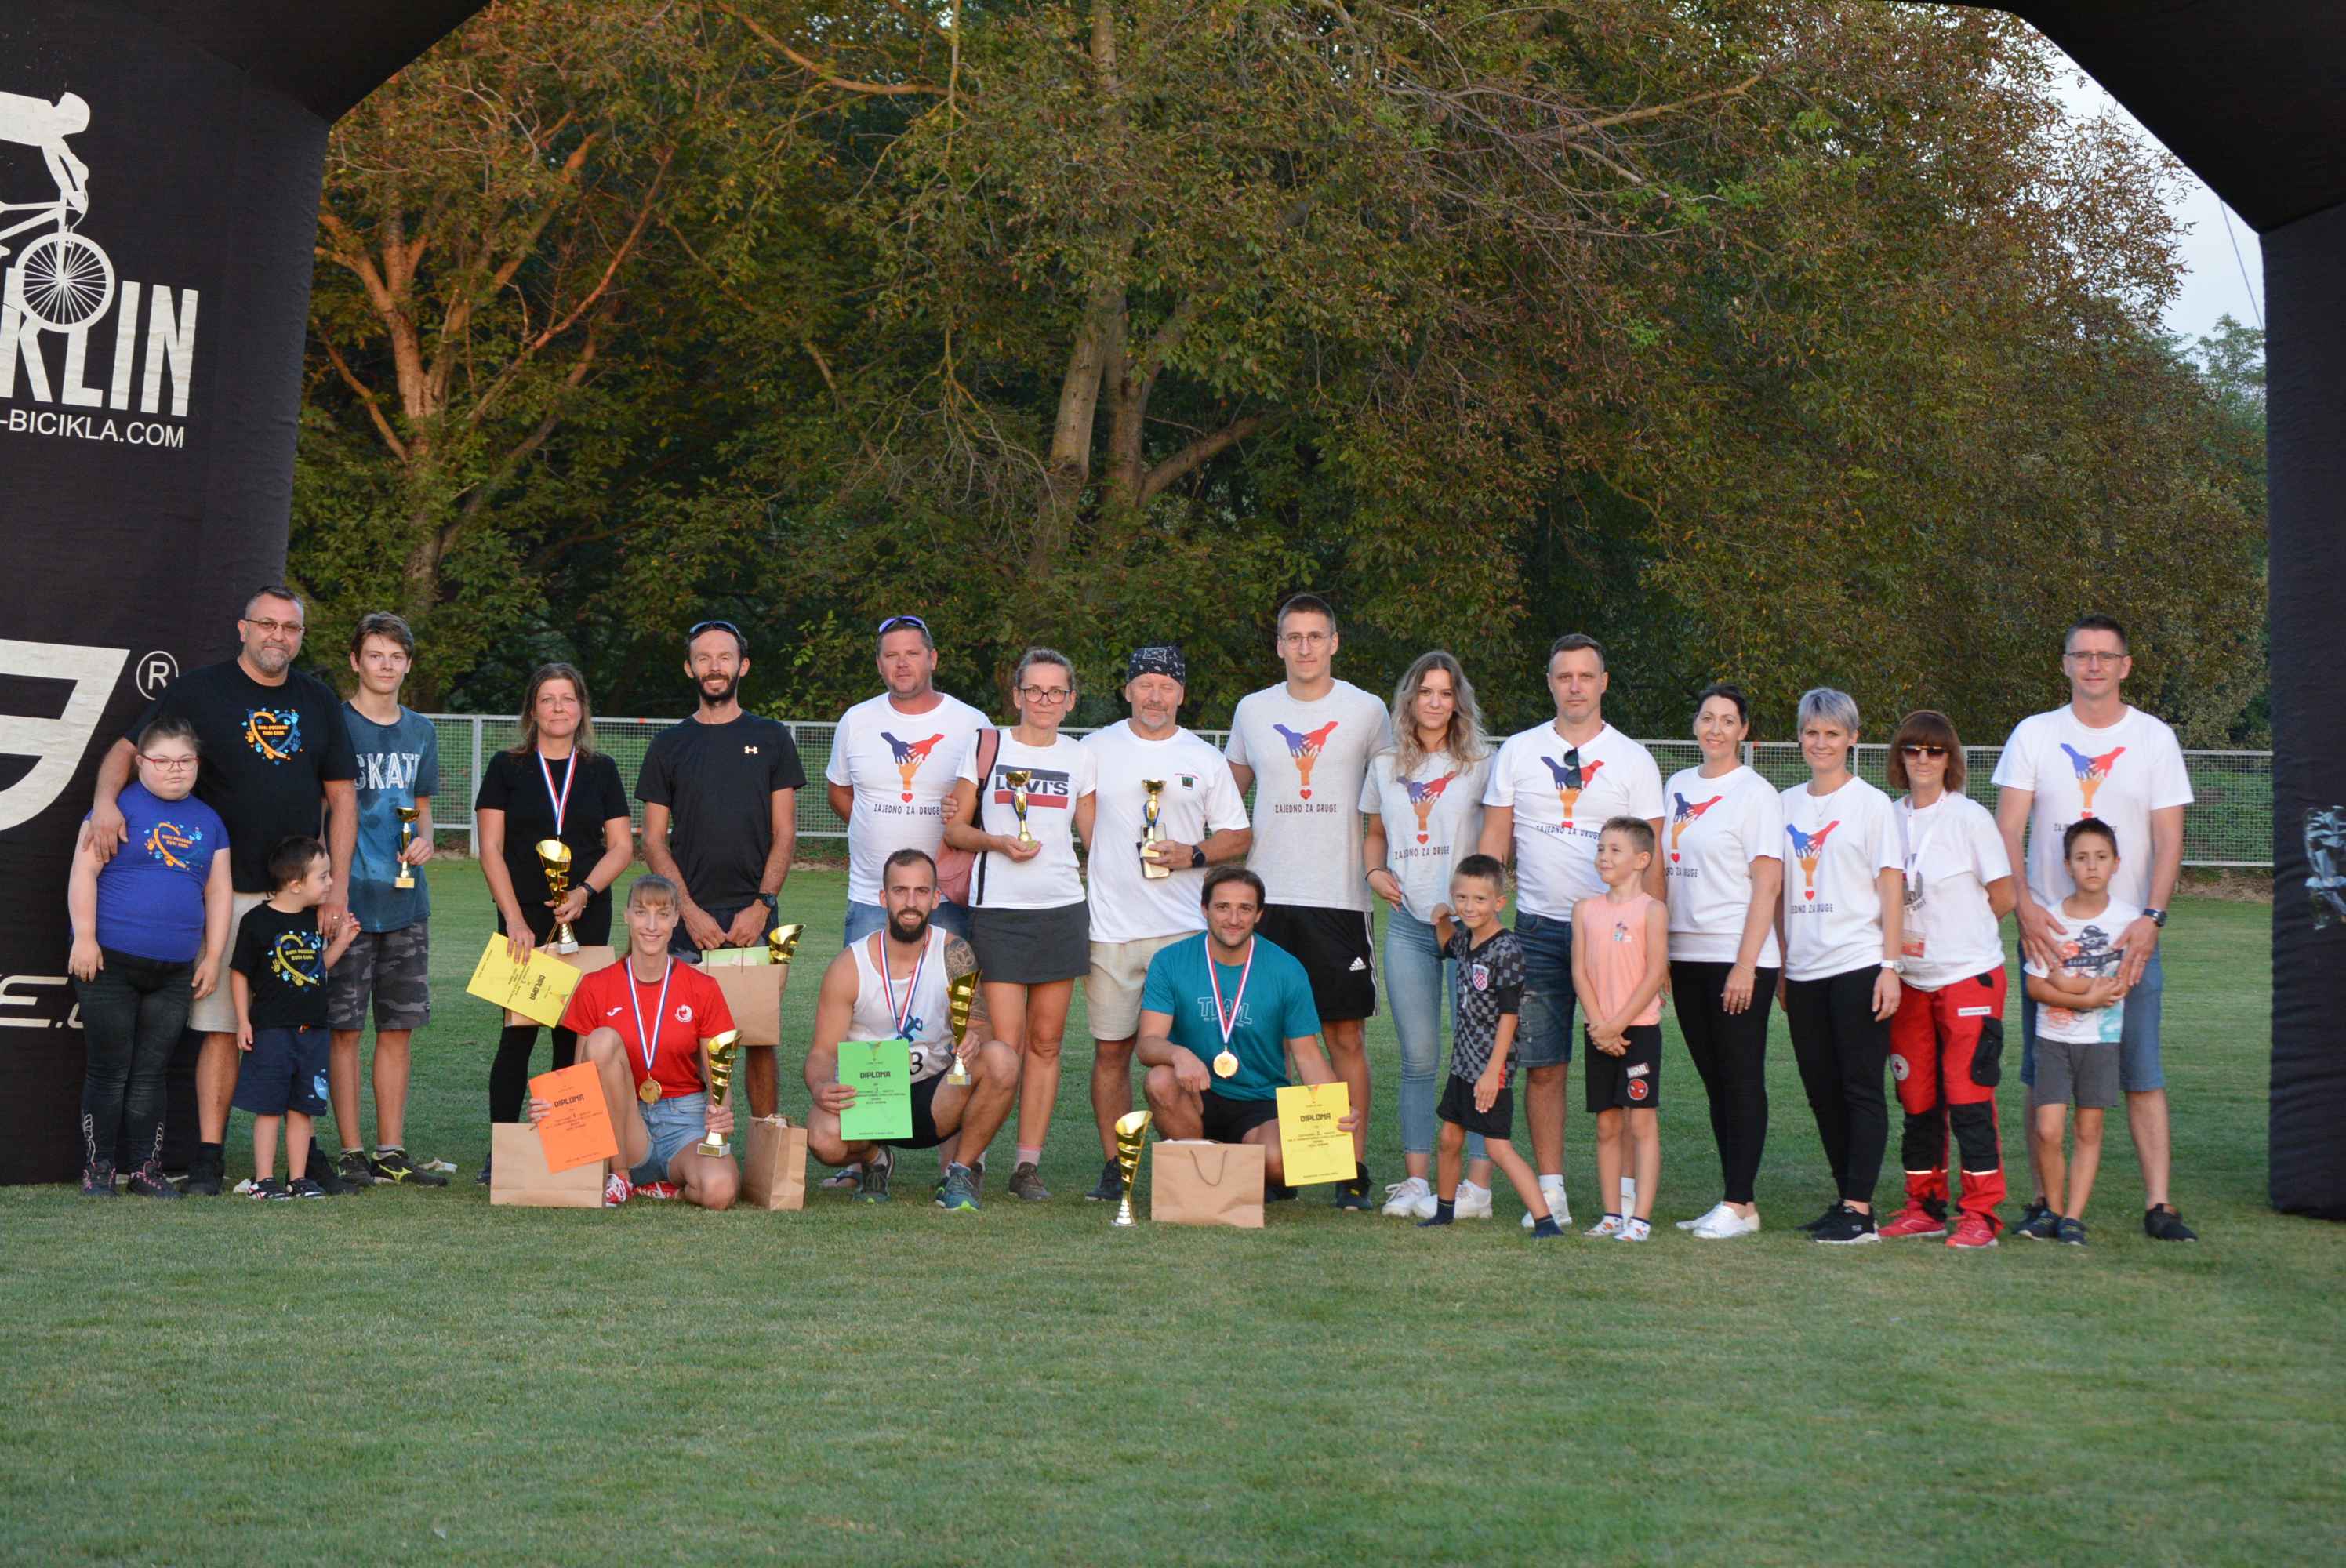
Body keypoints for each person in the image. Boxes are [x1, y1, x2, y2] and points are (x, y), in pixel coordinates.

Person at [84, 586, 357, 1197]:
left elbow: (342, 798)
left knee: (296, 1026)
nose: (278, 636)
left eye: (290, 627)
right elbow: (128, 751)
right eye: (267, 623)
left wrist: (332, 889)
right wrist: (105, 802)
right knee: (218, 1028)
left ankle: (302, 1157)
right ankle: (208, 1156)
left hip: (299, 895)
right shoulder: (198, 691)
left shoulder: (317, 701)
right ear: (242, 628)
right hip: (223, 891)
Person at [1993, 613, 2198, 1243]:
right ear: (2064, 664)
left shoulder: (2154, 738)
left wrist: (2151, 920)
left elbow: (2169, 839)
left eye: (2106, 656)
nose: (2094, 666)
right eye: (2081, 655)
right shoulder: (2034, 734)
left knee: (2140, 1071)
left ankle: (2159, 1205)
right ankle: (2043, 1201)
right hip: (2050, 937)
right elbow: (2006, 830)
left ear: (2125, 666)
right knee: (2042, 1075)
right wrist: (2026, 908)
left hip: (2126, 939)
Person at [1477, 633, 1664, 1228]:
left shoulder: (1633, 758)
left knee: (1627, 1060)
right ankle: (1552, 1190)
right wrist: (1486, 921)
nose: (1575, 686)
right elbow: (1494, 840)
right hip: (1537, 928)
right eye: (1564, 676)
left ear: (1603, 681)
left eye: (1586, 675)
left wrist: (1654, 947)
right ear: (1551, 682)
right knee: (1544, 1064)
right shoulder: (1518, 751)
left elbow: (1652, 861)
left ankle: (1629, 1194)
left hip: (1619, 938)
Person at [1224, 593, 1393, 1207]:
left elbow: (1394, 793)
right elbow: (1226, 794)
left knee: (1342, 1035)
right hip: (1266, 900)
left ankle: (1350, 1167)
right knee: (1267, 1036)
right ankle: (1284, 1166)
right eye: (1293, 637)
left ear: (1334, 643)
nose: (1304, 648)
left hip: (1339, 897)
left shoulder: (1368, 710)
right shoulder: (1252, 710)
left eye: (1315, 636)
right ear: (1278, 645)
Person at [1077, 645, 1251, 1203]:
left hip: (1182, 931)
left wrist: (1193, 856)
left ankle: (1198, 1158)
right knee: (1112, 1051)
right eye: (1145, 684)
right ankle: (1115, 1165)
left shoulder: (1204, 758)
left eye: (1166, 686)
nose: (1155, 696)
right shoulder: (1094, 749)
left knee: (1195, 1049)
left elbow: (1237, 836)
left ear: (1182, 693)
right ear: (1127, 690)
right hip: (1112, 928)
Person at [942, 648, 1097, 1200]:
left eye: (1057, 692)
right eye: (1034, 690)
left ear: (1071, 698)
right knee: (1003, 1047)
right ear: (1016, 695)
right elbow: (956, 829)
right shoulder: (989, 746)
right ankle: (974, 1158)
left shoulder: (1081, 756)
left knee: (1048, 1044)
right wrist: (998, 842)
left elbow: (1095, 839)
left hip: (1060, 909)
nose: (1045, 701)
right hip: (1000, 911)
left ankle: (1027, 1165)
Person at [637, 618, 806, 1116]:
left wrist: (763, 905)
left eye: (725, 657)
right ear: (690, 668)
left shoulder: (772, 737)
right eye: (705, 658)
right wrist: (686, 910)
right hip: (688, 917)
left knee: (757, 1037)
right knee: (682, 1032)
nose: (715, 667)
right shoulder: (668, 745)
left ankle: (766, 1144)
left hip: (754, 914)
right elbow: (652, 839)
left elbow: (785, 834)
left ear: (743, 666)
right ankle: (690, 1141)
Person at [474, 662, 634, 1182]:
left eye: (568, 698)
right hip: (524, 923)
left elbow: (622, 847)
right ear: (533, 710)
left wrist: (586, 893)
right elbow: (491, 849)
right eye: (548, 699)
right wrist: (514, 918)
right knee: (517, 1037)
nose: (559, 708)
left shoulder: (601, 769)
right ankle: (502, 1151)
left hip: (585, 918)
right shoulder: (506, 767)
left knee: (574, 1038)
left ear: (581, 708)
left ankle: (571, 1148)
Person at [801, 850, 1022, 1210]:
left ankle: (961, 1171)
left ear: (936, 898)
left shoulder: (955, 952)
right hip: (870, 1096)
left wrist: (974, 1037)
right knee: (822, 1138)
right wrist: (821, 1086)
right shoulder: (849, 965)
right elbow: (822, 1052)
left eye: (921, 891)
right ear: (883, 897)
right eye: (900, 891)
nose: (910, 902)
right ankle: (875, 1158)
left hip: (938, 1096)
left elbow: (981, 1025)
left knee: (1002, 1059)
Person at [65, 717, 230, 1197]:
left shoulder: (209, 821)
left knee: (151, 1073)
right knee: (109, 1068)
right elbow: (83, 872)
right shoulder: (115, 812)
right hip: (109, 962)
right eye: (162, 761)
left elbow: (219, 892)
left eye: (185, 761)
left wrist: (213, 956)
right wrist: (85, 937)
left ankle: (144, 1169)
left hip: (175, 971)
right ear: (140, 764)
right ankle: (99, 1169)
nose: (175, 771)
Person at [1360, 651, 1496, 1218]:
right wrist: (1374, 872)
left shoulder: (1482, 761)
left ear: (1457, 700)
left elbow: (1496, 839)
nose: (1435, 702)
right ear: (1410, 699)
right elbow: (1373, 832)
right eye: (1425, 692)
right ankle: (1417, 1181)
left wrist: (1473, 906)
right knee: (1418, 1059)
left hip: (1469, 928)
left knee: (1478, 1057)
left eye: (1445, 693)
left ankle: (1478, 1188)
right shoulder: (1386, 761)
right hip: (1411, 925)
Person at [1879, 711, 2016, 1249]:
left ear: (1950, 759)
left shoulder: (1970, 818)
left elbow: (2002, 895)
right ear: (1900, 757)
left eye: (1934, 751)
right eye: (1913, 750)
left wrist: (1962, 939)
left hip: (1966, 976)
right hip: (1908, 978)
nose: (1923, 760)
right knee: (1916, 1097)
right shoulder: (1886, 816)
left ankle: (1981, 1213)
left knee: (1968, 1097)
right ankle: (1925, 1205)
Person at [1774, 688, 1906, 1246]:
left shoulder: (1872, 805)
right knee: (1821, 1089)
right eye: (1811, 732)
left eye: (1832, 733)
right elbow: (1773, 889)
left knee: (1859, 1088)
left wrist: (1890, 965)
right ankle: (1844, 1199)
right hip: (1802, 972)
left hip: (1857, 964)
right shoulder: (1782, 805)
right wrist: (1779, 964)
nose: (1820, 742)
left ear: (1853, 738)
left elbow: (1891, 886)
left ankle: (1860, 1208)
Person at [1137, 866, 1360, 1185]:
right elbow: (1148, 1044)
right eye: (1223, 907)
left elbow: (1308, 1055)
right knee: (1160, 1079)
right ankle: (1203, 1173)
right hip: (1196, 1094)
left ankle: (1235, 1170)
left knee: (1277, 1161)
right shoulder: (1170, 961)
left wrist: (1337, 1108)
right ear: (1204, 910)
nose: (1233, 919)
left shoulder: (1287, 969)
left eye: (1245, 909)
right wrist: (1178, 1054)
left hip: (1261, 1102)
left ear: (1259, 915)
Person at [326, 612, 444, 1189]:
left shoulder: (421, 730)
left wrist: (424, 839)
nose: (386, 666)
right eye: (375, 655)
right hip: (347, 899)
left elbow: (421, 805)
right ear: (355, 661)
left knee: (398, 1029)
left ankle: (391, 1149)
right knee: (343, 1029)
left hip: (404, 901)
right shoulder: (335, 724)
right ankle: (350, 1150)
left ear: (408, 665)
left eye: (396, 657)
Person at [1661, 684, 1783, 1239]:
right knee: (1715, 1081)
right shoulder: (1677, 786)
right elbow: (1659, 872)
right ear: (1696, 725)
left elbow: (1767, 886)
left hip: (1737, 957)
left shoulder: (1756, 793)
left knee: (1740, 1079)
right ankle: (1733, 1199)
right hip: (1686, 955)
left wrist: (1746, 965)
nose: (1715, 728)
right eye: (1707, 718)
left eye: (1727, 720)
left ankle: (1742, 1204)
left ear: (1744, 731)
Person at [541, 876, 742, 1210]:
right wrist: (551, 1109)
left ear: (677, 919)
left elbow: (719, 1075)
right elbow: (579, 1078)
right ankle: (620, 1174)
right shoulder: (594, 986)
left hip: (684, 1123)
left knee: (719, 1192)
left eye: (662, 914)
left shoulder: (702, 988)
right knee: (603, 1040)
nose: (651, 925)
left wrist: (723, 1109)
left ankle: (667, 1186)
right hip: (624, 1123)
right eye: (641, 912)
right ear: (626, 916)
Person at [1416, 855, 1560, 1236]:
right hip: (1463, 1063)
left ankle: (1546, 1221)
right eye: (1461, 898)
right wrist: (1441, 917)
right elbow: (1447, 943)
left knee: (1497, 1147)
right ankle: (1444, 1212)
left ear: (1499, 902)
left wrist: (1493, 1073)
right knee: (1449, 1137)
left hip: (1489, 1068)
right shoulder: (1465, 937)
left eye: (1480, 899)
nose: (1469, 906)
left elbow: (1510, 1017)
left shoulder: (1507, 949)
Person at [826, 615, 989, 943]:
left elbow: (985, 809)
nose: (902, 664)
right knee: (866, 992)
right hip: (873, 895)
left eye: (912, 654)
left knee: (951, 994)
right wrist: (874, 823)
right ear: (879, 664)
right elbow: (839, 792)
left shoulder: (972, 723)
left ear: (933, 659)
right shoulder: (856, 720)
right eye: (891, 656)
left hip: (947, 894)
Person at [2021, 821, 2137, 1247]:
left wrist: (2064, 983)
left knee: (2089, 1129)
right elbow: (2036, 985)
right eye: (2082, 858)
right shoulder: (2049, 919)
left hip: (2101, 1042)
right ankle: (2051, 1207)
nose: (2092, 866)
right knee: (2049, 1129)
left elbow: (2119, 986)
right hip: (2053, 1039)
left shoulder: (2128, 921)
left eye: (2101, 857)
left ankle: (2073, 1217)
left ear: (2116, 864)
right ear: (2067, 865)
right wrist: (2085, 995)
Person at [230, 837, 361, 1199]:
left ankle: (299, 1178)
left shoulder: (311, 921)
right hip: (272, 1031)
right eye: (323, 876)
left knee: (303, 1108)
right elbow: (239, 974)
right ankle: (264, 1179)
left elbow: (315, 970)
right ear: (294, 884)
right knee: (270, 1108)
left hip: (313, 1031)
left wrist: (342, 943)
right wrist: (243, 1021)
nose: (331, 883)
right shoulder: (257, 921)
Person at [1571, 819, 1670, 1240]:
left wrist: (1617, 1025)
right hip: (1599, 1033)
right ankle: (1612, 1214)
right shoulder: (1585, 910)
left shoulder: (1652, 910)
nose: (1604, 858)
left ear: (1641, 860)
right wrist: (1599, 1025)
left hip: (1638, 1032)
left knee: (1641, 1125)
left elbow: (1654, 973)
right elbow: (1579, 970)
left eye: (1615, 850)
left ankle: (1641, 1218)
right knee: (1607, 1125)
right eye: (1600, 849)